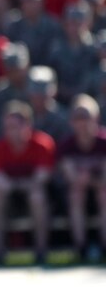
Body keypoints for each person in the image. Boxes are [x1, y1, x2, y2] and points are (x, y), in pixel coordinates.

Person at [0, 101, 56, 265]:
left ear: (28, 125)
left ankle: (41, 252)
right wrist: (18, 185)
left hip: (40, 194)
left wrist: (17, 184)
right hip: (11, 195)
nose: (11, 132)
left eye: (15, 126)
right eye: (7, 127)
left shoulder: (43, 144)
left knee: (36, 197)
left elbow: (42, 178)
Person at [58, 95, 106, 262]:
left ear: (96, 118)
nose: (83, 123)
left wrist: (91, 179)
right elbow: (72, 178)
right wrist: (90, 179)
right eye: (78, 118)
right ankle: (82, 247)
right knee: (76, 194)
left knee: (103, 194)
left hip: (100, 192)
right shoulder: (66, 145)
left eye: (86, 117)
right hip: (76, 195)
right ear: (71, 122)